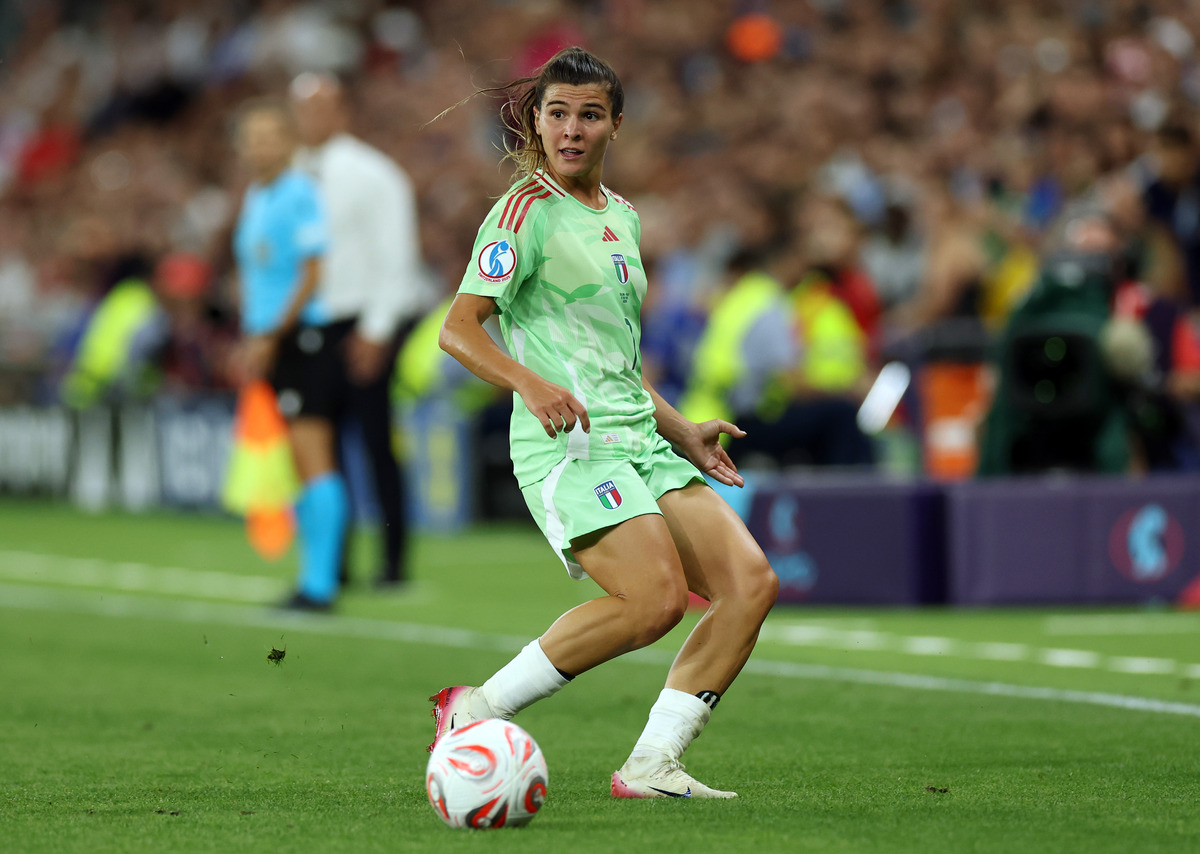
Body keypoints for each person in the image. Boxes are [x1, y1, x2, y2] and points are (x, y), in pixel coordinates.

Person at [430, 47, 778, 800]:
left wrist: (681, 427)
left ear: (615, 125)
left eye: (590, 114)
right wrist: (529, 382)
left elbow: (611, 360)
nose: (572, 128)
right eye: (557, 113)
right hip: (571, 445)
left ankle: (653, 765)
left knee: (750, 583)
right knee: (653, 602)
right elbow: (459, 329)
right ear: (537, 120)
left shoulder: (621, 215)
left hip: (641, 438)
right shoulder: (521, 211)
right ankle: (476, 711)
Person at [289, 73, 429, 589]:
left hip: (362, 321)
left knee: (375, 448)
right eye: (301, 108)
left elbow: (398, 258)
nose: (309, 119)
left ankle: (393, 564)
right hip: (311, 327)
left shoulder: (373, 174)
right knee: (318, 451)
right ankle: (334, 562)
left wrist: (377, 328)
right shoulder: (293, 175)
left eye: (319, 107)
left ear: (341, 109)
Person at [231, 97, 349, 611]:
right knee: (302, 466)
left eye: (270, 136)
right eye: (253, 137)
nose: (262, 146)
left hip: (301, 339)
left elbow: (312, 273)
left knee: (315, 461)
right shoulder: (259, 193)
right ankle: (314, 578)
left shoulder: (300, 192)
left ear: (288, 142)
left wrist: (270, 334)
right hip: (276, 340)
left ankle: (320, 585)